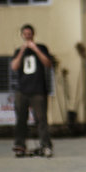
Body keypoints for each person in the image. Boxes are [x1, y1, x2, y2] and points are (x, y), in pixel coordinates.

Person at [11, 24, 54, 158]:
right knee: (21, 120)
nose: (27, 36)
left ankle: (46, 145)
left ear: (33, 34)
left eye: (30, 33)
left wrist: (35, 49)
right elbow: (14, 66)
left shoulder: (42, 48)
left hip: (38, 90)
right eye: (25, 34)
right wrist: (22, 51)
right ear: (22, 35)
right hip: (22, 90)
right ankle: (20, 145)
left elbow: (48, 63)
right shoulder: (18, 50)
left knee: (41, 120)